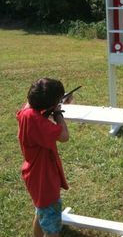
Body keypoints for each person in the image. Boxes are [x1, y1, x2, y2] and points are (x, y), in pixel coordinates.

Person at [16, 78, 72, 237]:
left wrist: (53, 105)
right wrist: (58, 112)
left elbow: (32, 105)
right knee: (52, 227)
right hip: (44, 178)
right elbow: (64, 136)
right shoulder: (38, 122)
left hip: (33, 175)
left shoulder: (27, 112)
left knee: (41, 212)